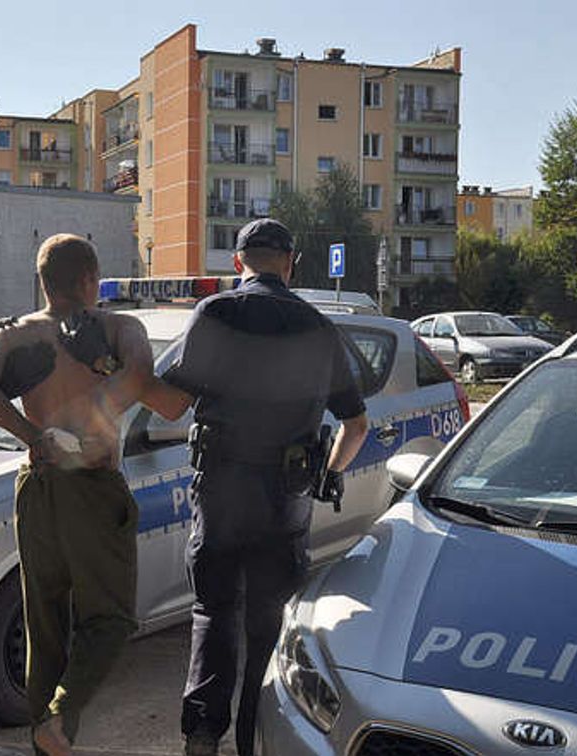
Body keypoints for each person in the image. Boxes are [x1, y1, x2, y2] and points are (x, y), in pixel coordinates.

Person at [146, 218, 370, 756]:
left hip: (221, 500)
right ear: (291, 264)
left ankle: (202, 737)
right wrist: (329, 474)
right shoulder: (320, 326)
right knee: (270, 631)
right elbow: (356, 426)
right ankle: (257, 741)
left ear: (237, 262)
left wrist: (129, 371)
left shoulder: (216, 313)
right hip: (285, 505)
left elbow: (171, 405)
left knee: (213, 615)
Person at [0, 233, 158, 756]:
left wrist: (36, 435)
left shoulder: (15, 334)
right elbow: (140, 374)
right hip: (90, 483)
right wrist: (85, 423)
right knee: (111, 618)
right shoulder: (118, 326)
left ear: (42, 282)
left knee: (44, 624)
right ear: (91, 279)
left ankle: (43, 740)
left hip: (36, 481)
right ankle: (58, 720)